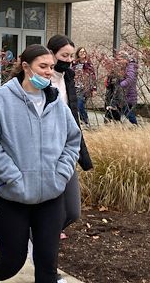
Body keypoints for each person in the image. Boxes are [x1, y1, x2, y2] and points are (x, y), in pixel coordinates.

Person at [0, 44, 81, 283]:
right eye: (43, 66)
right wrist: (12, 175)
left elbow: (73, 140)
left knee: (47, 268)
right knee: (11, 262)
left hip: (51, 197)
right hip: (13, 197)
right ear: (25, 67)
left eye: (51, 67)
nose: (48, 72)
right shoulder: (0, 100)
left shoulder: (56, 102)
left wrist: (60, 174)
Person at [46, 35, 93, 257]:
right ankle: (42, 237)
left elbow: (73, 116)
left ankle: (44, 232)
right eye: (64, 55)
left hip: (66, 151)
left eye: (71, 56)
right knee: (49, 207)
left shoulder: (69, 79)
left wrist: (81, 152)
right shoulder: (40, 80)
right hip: (45, 154)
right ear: (51, 54)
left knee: (73, 211)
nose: (69, 60)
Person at [72, 47, 95, 125]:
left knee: (80, 104)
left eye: (84, 52)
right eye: (81, 52)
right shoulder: (74, 63)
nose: (83, 53)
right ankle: (83, 121)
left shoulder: (88, 64)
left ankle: (85, 120)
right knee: (78, 104)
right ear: (78, 54)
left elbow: (93, 76)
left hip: (85, 87)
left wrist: (93, 89)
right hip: (76, 86)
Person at [117, 51, 138, 125]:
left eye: (119, 59)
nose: (118, 61)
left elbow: (130, 79)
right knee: (125, 111)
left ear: (125, 59)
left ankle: (136, 126)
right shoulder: (124, 67)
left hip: (129, 94)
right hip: (125, 94)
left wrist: (121, 84)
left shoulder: (130, 67)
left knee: (128, 112)